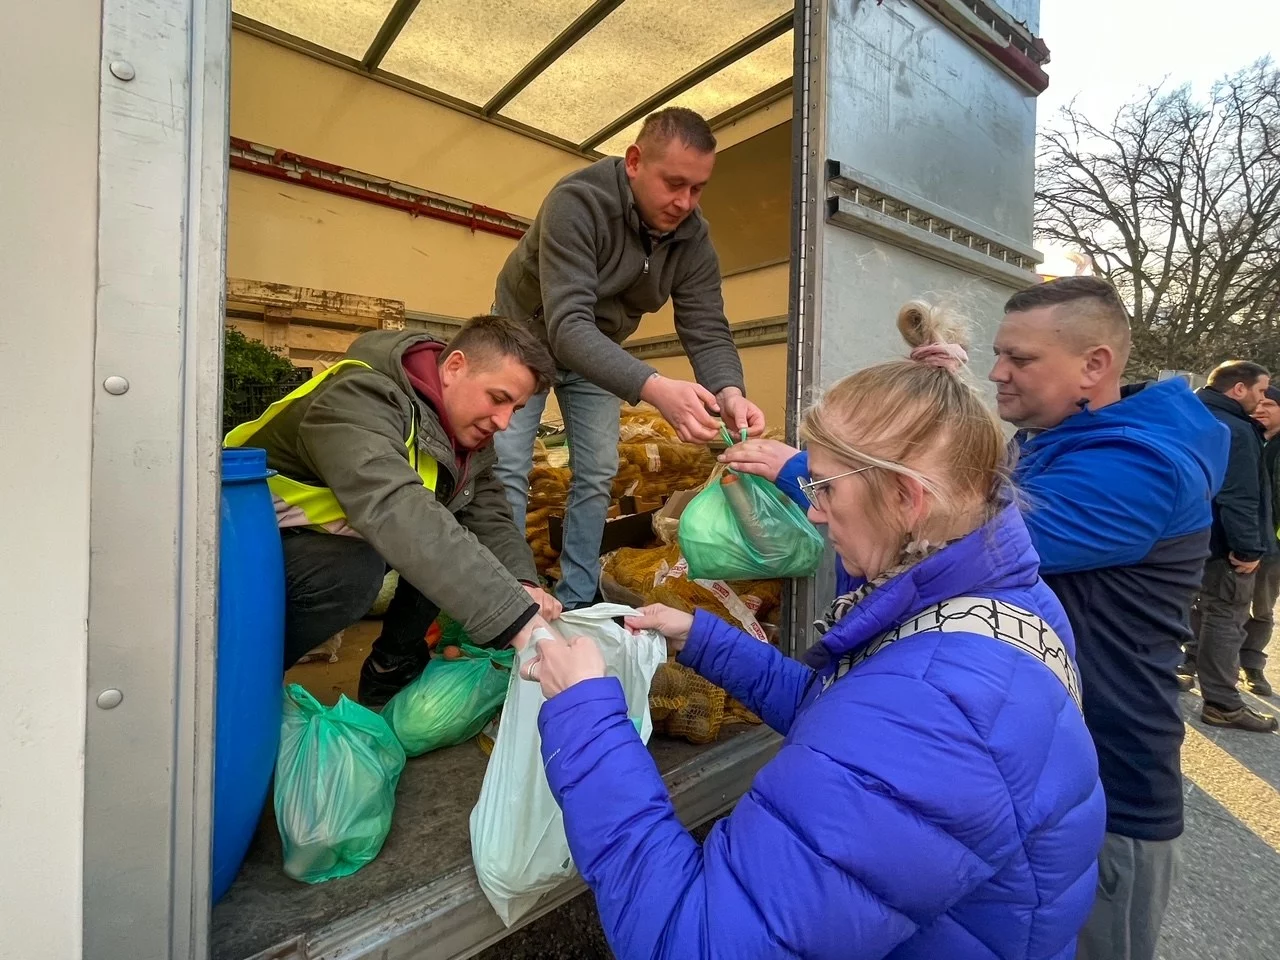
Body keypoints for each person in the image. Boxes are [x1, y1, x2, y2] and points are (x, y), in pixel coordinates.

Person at [518, 303, 1106, 960]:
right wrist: (704, 640)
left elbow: (697, 942)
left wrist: (584, 717)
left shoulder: (944, 713)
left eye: (823, 488)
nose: (815, 514)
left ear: (908, 501)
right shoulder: (999, 595)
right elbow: (849, 729)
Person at [989, 276, 1228, 960]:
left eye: (1022, 360)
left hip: (1108, 794)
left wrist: (805, 474)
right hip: (1044, 777)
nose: (998, 373)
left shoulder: (1136, 467)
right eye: (1000, 354)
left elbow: (975, 536)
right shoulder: (1058, 438)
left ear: (1095, 365)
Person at [493, 106, 765, 609]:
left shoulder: (692, 237)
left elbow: (706, 326)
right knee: (508, 467)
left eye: (698, 188)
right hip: (525, 338)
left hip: (596, 347)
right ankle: (509, 599)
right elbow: (566, 324)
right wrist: (656, 387)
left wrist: (729, 391)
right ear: (635, 161)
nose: (685, 202)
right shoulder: (577, 203)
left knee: (596, 472)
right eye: (674, 183)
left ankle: (575, 600)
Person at [225, 316, 562, 705]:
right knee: (356, 569)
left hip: (320, 537)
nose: (504, 422)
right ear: (454, 368)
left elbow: (490, 515)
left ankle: (391, 669)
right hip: (237, 549)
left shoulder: (465, 438)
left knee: (450, 536)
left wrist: (525, 584)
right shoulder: (357, 397)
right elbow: (394, 508)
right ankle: (241, 683)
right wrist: (519, 622)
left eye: (515, 409)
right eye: (498, 398)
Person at [1180, 361, 1277, 731]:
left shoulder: (1187, 414)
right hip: (1223, 545)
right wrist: (1249, 549)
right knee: (1226, 616)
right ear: (1238, 389)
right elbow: (1238, 496)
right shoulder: (1236, 429)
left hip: (1181, 538)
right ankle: (1222, 703)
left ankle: (1178, 671)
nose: (1263, 397)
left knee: (1190, 610)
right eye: (1261, 389)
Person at [1241, 385, 1280, 696]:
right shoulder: (1243, 437)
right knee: (1211, 602)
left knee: (1262, 609)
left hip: (1273, 547)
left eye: (1269, 404)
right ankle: (1193, 656)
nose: (1261, 408)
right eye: (1259, 402)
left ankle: (1251, 664)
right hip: (1234, 537)